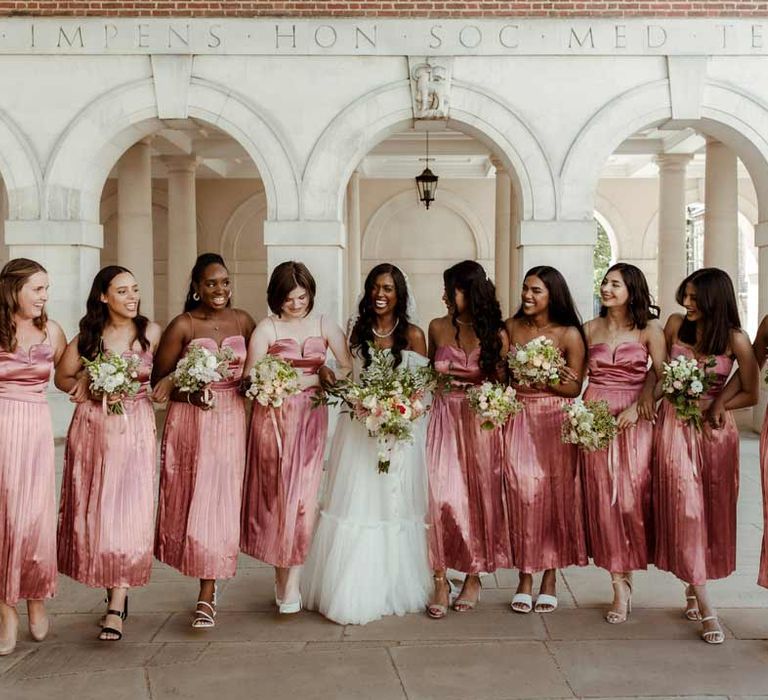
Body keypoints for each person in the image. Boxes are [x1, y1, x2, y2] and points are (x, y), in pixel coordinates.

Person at [302, 263, 431, 624]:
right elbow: (344, 370)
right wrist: (328, 372)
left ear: (399, 294)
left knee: (391, 506)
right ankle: (348, 585)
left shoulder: (415, 336)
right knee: (357, 503)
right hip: (358, 430)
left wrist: (397, 413)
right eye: (375, 287)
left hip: (398, 434)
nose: (380, 294)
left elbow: (422, 391)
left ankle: (392, 584)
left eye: (388, 288)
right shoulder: (357, 330)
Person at [55, 266, 162, 641]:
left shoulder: (151, 332)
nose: (133, 297)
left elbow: (164, 376)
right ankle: (113, 581)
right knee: (100, 512)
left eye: (135, 289)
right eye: (123, 291)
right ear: (103, 297)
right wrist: (85, 381)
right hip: (94, 429)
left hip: (135, 428)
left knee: (129, 511)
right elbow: (62, 378)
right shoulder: (88, 336)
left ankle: (117, 603)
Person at [240, 261, 351, 614]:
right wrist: (280, 385)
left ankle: (293, 581)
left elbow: (346, 366)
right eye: (289, 298)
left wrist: (328, 375)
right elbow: (250, 379)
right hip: (273, 420)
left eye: (302, 296)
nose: (297, 304)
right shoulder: (266, 329)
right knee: (277, 498)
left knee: (303, 499)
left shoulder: (324, 324)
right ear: (277, 297)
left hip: (311, 418)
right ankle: (280, 572)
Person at [654, 268, 758, 644]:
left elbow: (750, 392)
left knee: (709, 510)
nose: (687, 303)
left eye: (696, 298)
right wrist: (640, 408)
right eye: (686, 295)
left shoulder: (735, 339)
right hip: (674, 426)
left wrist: (718, 403)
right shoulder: (675, 325)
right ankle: (705, 602)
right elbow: (659, 375)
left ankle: (692, 582)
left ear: (717, 299)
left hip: (714, 434)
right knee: (686, 510)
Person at [153, 253, 255, 629]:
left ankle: (208, 592)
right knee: (197, 501)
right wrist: (190, 394)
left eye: (225, 282)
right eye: (211, 283)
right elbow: (159, 381)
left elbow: (260, 365)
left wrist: (254, 383)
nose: (220, 290)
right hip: (193, 420)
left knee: (222, 502)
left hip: (231, 418)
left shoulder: (243, 320)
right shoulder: (184, 325)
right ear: (196, 287)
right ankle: (204, 582)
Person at [581, 263, 665, 623]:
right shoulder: (589, 329)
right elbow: (576, 375)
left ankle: (629, 571)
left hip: (634, 420)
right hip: (595, 417)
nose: (607, 288)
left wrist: (639, 405)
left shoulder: (650, 330)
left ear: (633, 289)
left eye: (615, 283)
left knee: (631, 499)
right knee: (603, 500)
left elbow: (664, 377)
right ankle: (618, 584)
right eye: (604, 282)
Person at [425, 260, 510, 618]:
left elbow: (505, 384)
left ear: (470, 291)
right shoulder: (437, 327)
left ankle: (474, 575)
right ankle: (441, 578)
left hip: (481, 422)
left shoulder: (496, 333)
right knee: (439, 497)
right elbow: (429, 374)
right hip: (443, 416)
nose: (446, 295)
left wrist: (493, 405)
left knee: (478, 498)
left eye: (453, 289)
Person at [504, 266, 588, 614]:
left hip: (555, 420)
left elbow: (573, 387)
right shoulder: (511, 328)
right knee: (522, 492)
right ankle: (524, 576)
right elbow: (502, 372)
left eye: (536, 290)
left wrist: (542, 376)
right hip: (520, 417)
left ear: (552, 294)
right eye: (525, 288)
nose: (527, 295)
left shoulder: (568, 334)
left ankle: (550, 577)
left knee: (554, 495)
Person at [0, 259, 66, 655]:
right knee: (4, 516)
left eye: (46, 289)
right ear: (13, 290)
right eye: (37, 289)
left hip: (36, 429)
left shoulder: (52, 331)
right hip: (1, 426)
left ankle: (35, 596)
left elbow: (70, 374)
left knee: (35, 518)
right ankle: (5, 607)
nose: (44, 297)